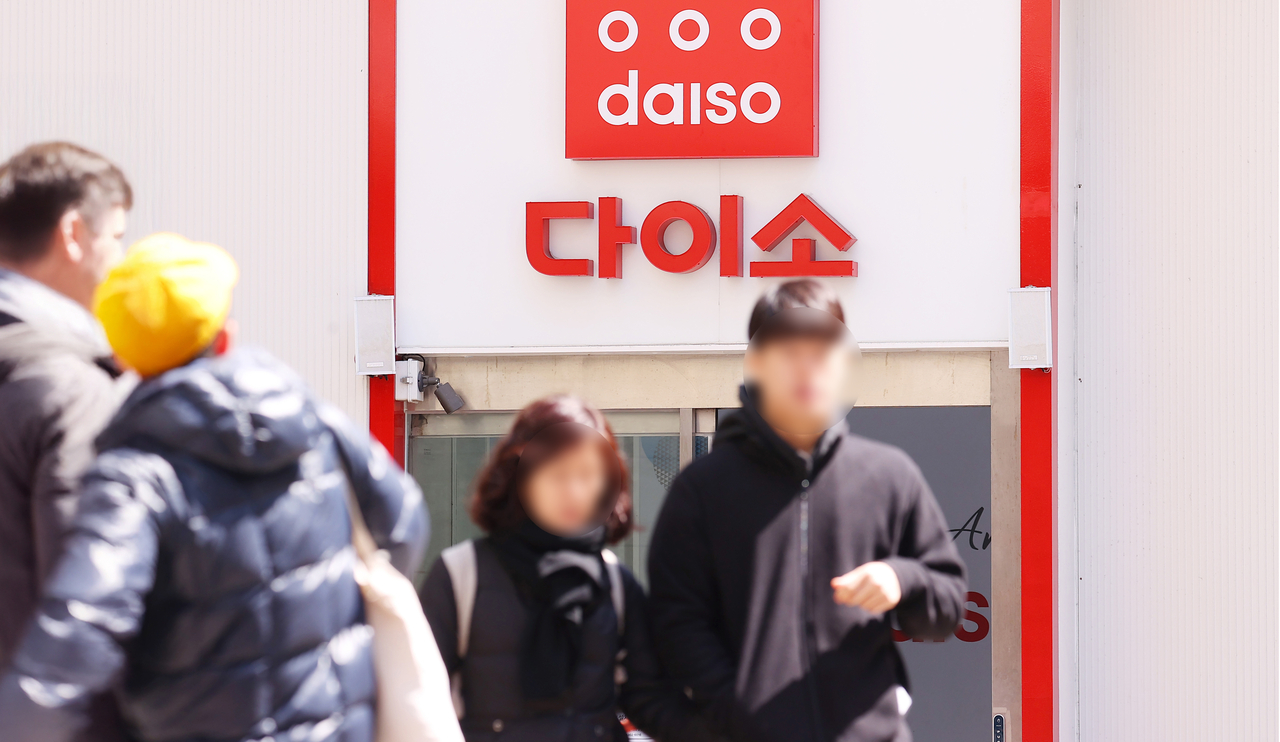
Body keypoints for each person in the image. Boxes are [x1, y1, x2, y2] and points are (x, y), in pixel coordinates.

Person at [0, 233, 429, 742]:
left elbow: (78, 630)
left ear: (121, 358)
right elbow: (402, 525)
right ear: (225, 337)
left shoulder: (133, 476)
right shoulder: (312, 421)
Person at [647, 279, 967, 742]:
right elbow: (675, 623)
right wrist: (738, 711)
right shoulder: (703, 489)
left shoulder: (888, 476)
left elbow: (947, 605)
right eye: (788, 353)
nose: (806, 370)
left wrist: (902, 578)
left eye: (822, 353)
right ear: (756, 365)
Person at [419, 395, 712, 742]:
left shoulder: (614, 582)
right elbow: (418, 698)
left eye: (588, 475)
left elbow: (647, 698)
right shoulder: (461, 574)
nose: (573, 490)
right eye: (557, 474)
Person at [0, 142, 134, 739]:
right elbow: (85, 602)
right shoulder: (71, 388)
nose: (120, 261)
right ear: (75, 233)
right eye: (117, 238)